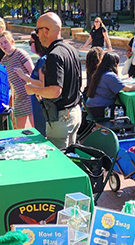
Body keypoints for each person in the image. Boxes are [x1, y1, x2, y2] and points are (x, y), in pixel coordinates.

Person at [21, 13, 82, 149]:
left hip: (61, 118)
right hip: (74, 113)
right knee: (71, 159)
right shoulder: (71, 49)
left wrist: (33, 89)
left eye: (37, 31)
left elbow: (55, 91)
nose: (36, 35)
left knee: (59, 163)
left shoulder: (54, 55)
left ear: (46, 31)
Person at [85, 53, 135, 119]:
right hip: (101, 108)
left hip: (93, 107)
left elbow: (119, 84)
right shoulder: (110, 75)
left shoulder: (100, 73)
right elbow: (127, 89)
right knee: (127, 109)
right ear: (115, 64)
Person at [0, 32, 35, 128]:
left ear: (12, 41)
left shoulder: (20, 53)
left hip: (30, 96)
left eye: (5, 42)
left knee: (37, 128)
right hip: (18, 98)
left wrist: (24, 77)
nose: (3, 45)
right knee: (19, 130)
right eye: (1, 43)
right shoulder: (4, 60)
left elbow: (34, 72)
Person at [29, 32, 49, 136]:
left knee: (41, 132)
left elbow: (42, 84)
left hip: (40, 103)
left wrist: (25, 78)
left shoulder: (43, 60)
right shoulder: (43, 59)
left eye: (30, 42)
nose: (30, 45)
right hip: (39, 102)